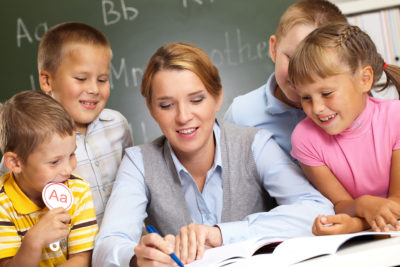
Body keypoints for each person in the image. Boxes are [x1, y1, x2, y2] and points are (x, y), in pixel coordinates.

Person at [92, 42, 334, 267]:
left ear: (218, 98)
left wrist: (222, 234)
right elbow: (107, 245)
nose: (183, 116)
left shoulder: (254, 145)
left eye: (196, 100)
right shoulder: (138, 162)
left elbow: (317, 209)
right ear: (151, 110)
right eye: (166, 105)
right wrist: (136, 259)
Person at [0, 22, 134, 225]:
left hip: (124, 247)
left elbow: (132, 186)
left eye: (102, 79)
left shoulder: (118, 125)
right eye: (81, 78)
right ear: (47, 81)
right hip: (69, 251)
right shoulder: (27, 145)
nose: (94, 89)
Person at [288, 23, 400, 235]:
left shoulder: (396, 118)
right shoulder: (304, 139)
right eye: (306, 97)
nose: (317, 108)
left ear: (364, 80)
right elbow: (341, 204)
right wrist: (359, 206)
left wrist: (358, 222)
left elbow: (398, 202)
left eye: (327, 93)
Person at [224, 0, 347, 161]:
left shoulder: (357, 106)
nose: (300, 74)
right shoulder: (241, 115)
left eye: (317, 64)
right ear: (274, 49)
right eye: (291, 58)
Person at [0, 90, 98, 267]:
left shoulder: (78, 191)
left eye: (72, 154)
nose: (68, 169)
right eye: (54, 162)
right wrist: (33, 241)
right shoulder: (2, 204)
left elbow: (82, 259)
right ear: (15, 163)